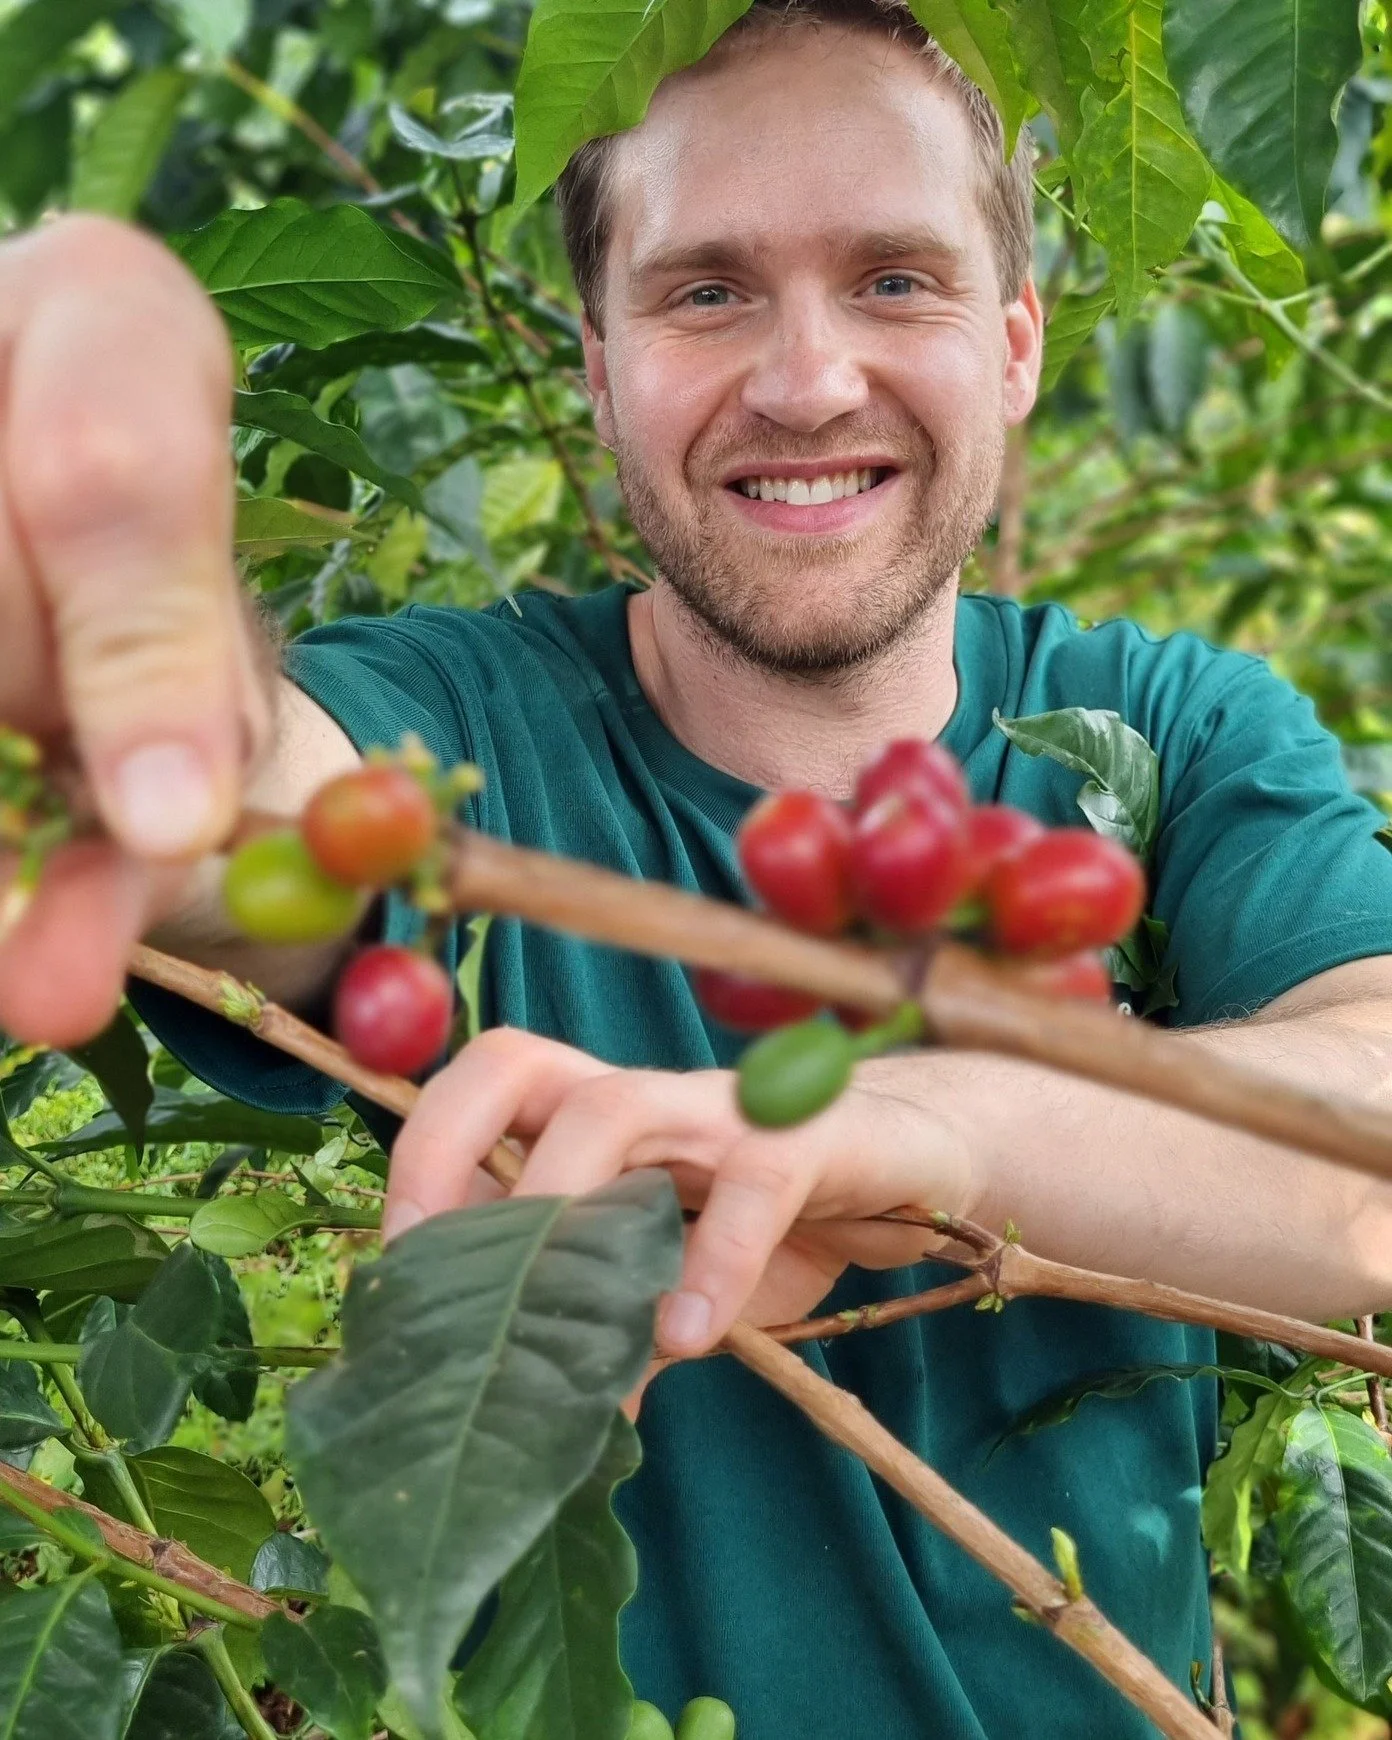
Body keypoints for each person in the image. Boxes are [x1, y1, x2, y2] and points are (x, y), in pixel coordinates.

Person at [1, 0, 1390, 1732]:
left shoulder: (1165, 730)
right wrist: (131, 667)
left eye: (896, 280)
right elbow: (266, 804)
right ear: (596, 361)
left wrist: (926, 1127)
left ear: (1018, 341)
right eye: (706, 290)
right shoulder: (466, 728)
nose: (807, 382)